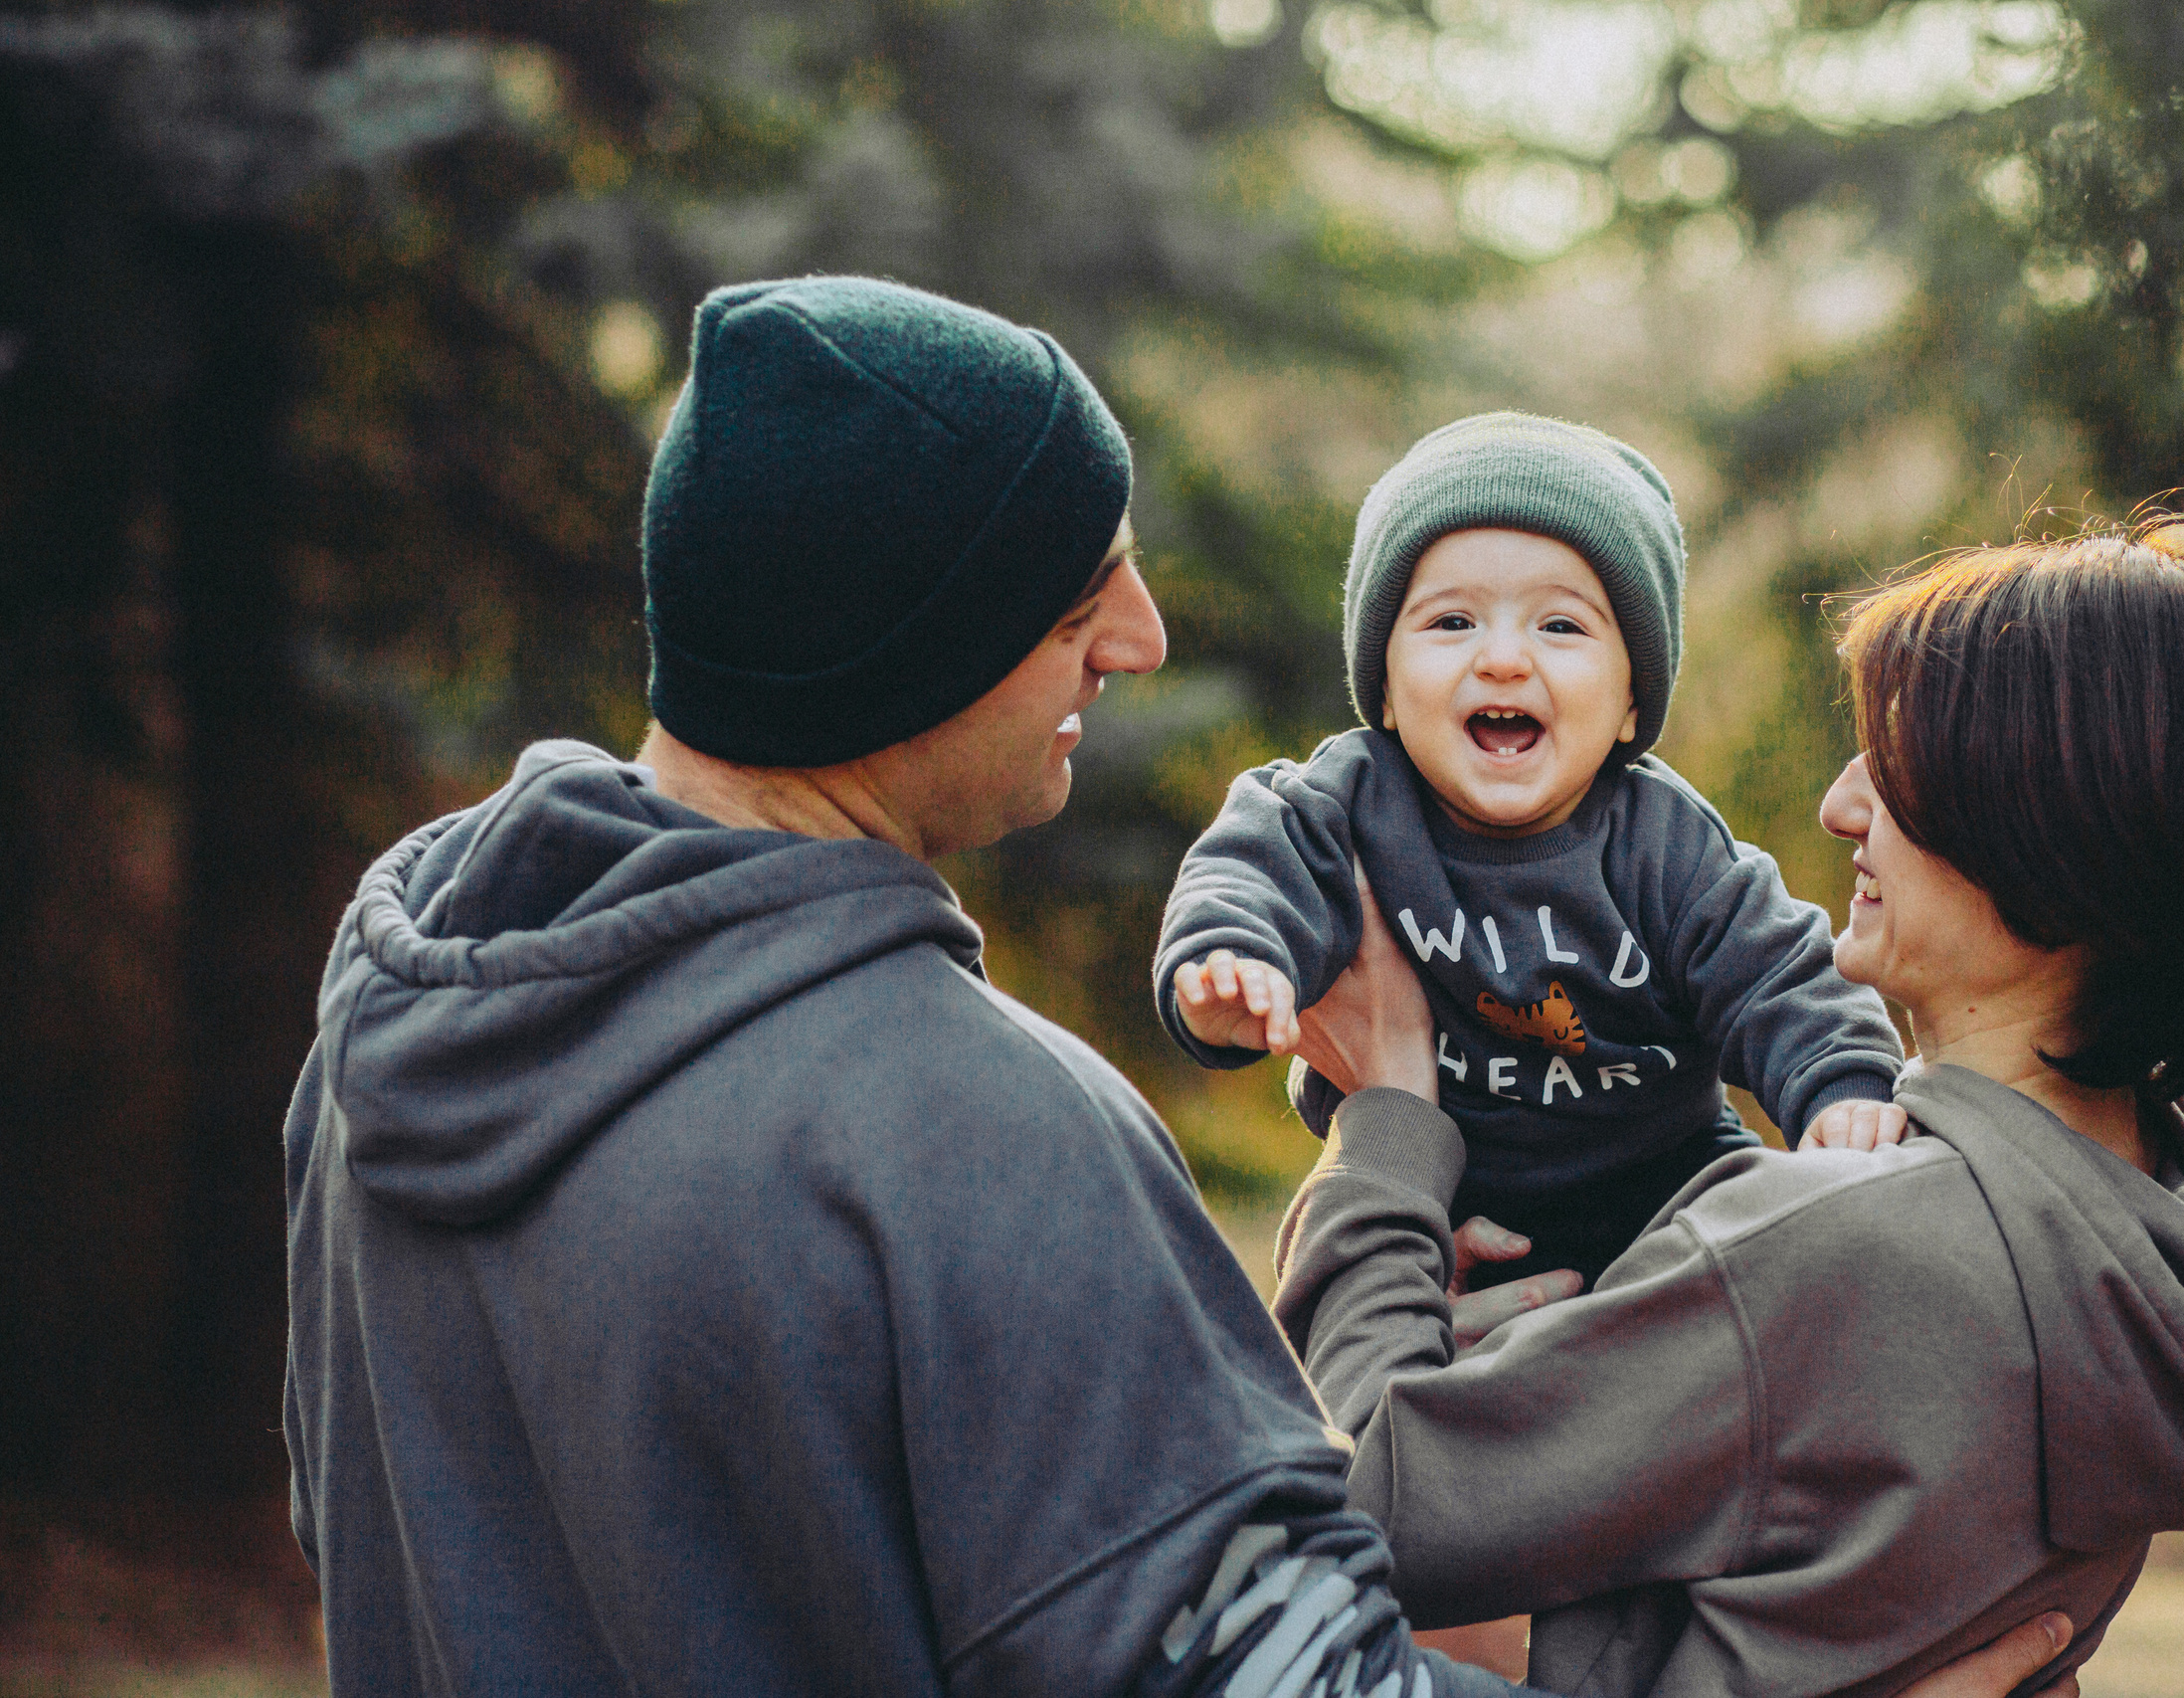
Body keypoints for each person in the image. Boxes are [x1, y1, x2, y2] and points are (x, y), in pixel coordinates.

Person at [280, 274, 2087, 1697]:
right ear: (920, 640)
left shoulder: (392, 1031)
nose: (1140, 638)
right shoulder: (975, 1127)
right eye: (1081, 598)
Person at [1273, 518, 2184, 1696]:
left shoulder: (1829, 1251)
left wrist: (1390, 1116)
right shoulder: (2166, 1221)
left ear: (2063, 843)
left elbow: (1355, 1517)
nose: (1841, 803)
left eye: (1905, 768)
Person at [1155, 413, 1908, 1292]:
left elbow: (1781, 974)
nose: (1504, 658)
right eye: (1451, 622)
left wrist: (1844, 1087)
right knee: (1362, 1343)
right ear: (1386, 690)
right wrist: (1232, 963)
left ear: (1632, 702)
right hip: (1433, 1197)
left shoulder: (1661, 842)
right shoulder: (1349, 802)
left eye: (1559, 627)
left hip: (1664, 1196)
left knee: (1782, 1273)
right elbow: (1247, 866)